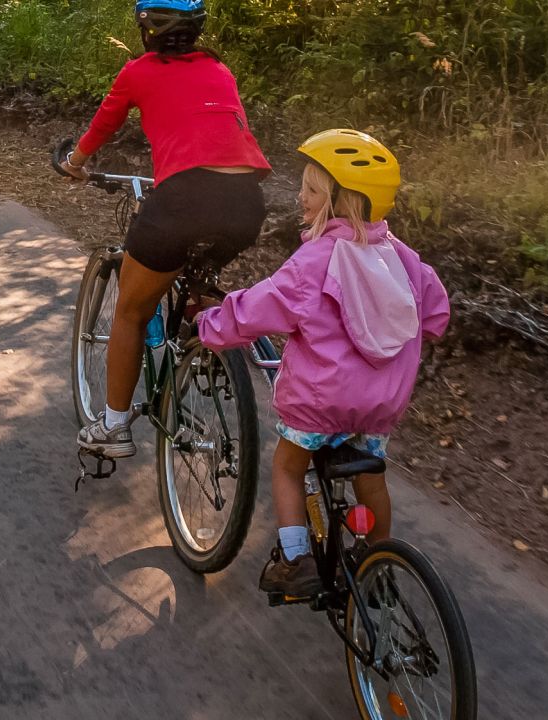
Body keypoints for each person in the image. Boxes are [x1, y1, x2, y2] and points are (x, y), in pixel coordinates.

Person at [195, 129, 451, 598]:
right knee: (371, 473)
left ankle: (296, 561)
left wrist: (210, 325)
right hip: (380, 405)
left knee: (288, 467)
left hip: (319, 404)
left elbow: (257, 308)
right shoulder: (407, 260)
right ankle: (379, 560)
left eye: (311, 190)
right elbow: (435, 314)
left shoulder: (315, 260)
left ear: (340, 202)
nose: (300, 196)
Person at [62, 0, 271, 459]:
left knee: (132, 312)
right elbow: (220, 137)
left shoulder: (138, 71)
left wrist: (75, 163)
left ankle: (114, 427)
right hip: (247, 203)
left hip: (181, 200)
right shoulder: (220, 70)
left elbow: (104, 125)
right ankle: (205, 338)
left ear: (146, 31)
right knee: (199, 270)